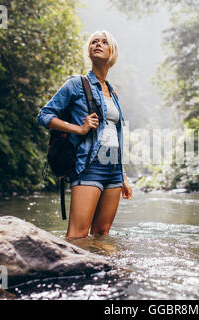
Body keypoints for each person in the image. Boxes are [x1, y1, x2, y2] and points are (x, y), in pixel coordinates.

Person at [37, 30, 133, 239]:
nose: (98, 44)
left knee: (102, 234)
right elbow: (44, 115)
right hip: (89, 166)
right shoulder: (76, 84)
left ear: (112, 52)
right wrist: (78, 128)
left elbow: (115, 134)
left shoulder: (112, 92)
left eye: (104, 42)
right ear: (89, 51)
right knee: (77, 235)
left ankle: (99, 272)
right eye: (94, 42)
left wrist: (122, 175)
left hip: (114, 170)